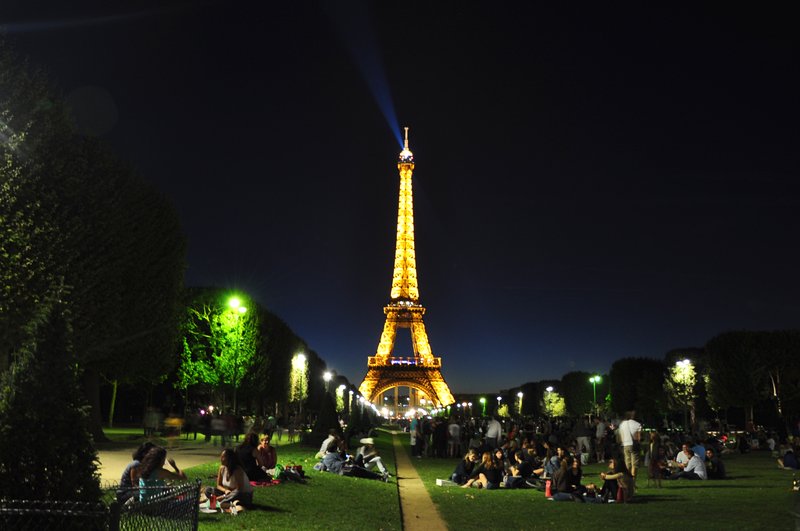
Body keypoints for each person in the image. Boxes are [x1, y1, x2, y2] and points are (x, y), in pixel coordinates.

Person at [321, 442, 388, 481]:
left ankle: (379, 476)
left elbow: (322, 468)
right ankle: (380, 477)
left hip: (339, 471)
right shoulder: (335, 454)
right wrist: (349, 460)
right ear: (335, 449)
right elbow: (344, 462)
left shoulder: (325, 459)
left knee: (359, 470)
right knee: (360, 470)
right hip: (343, 468)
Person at [618, 411, 642, 481]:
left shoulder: (622, 424)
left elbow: (621, 436)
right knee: (634, 464)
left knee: (627, 463)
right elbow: (639, 437)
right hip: (634, 445)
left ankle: (627, 480)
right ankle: (633, 482)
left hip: (625, 445)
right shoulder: (638, 424)